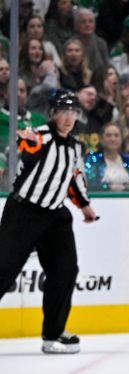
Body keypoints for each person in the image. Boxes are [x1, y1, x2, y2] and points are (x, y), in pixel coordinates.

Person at [0, 89, 99, 354]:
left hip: (55, 215)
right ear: (53, 114)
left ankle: (53, 334)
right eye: (63, 112)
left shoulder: (77, 147)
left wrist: (85, 206)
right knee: (3, 270)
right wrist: (27, 140)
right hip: (24, 211)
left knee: (66, 270)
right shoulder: (40, 135)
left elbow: (75, 178)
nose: (68, 118)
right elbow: (25, 146)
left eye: (72, 113)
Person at [84, 122, 129, 191]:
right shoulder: (93, 160)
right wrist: (108, 187)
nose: (113, 139)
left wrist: (126, 187)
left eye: (116, 135)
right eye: (108, 135)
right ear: (102, 139)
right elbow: (90, 184)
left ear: (121, 139)